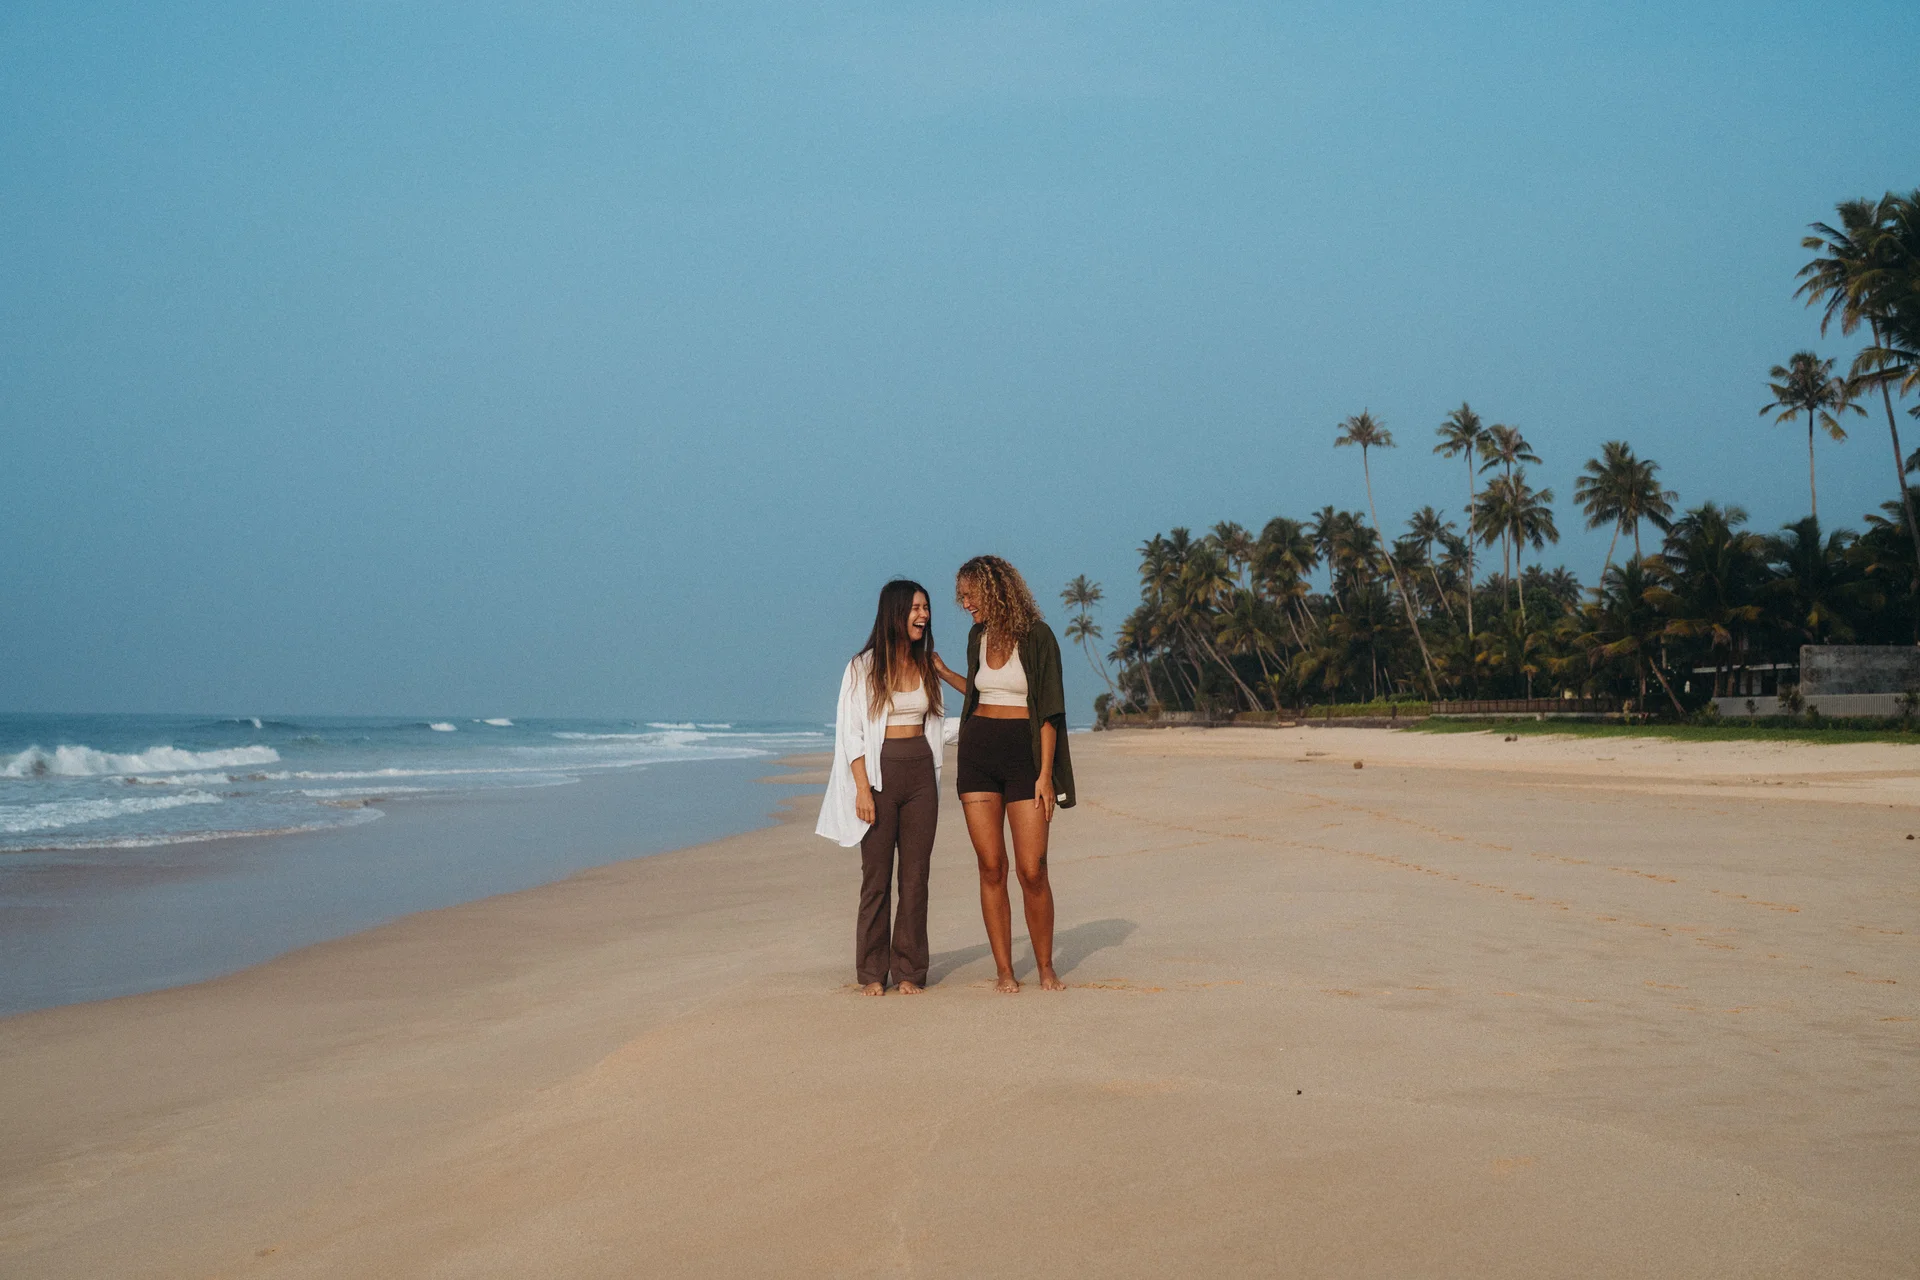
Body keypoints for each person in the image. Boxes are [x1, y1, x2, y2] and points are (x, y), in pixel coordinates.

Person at [932, 555, 1076, 993]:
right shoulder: (977, 636)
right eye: (961, 597)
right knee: (991, 866)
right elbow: (979, 690)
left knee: (1032, 869)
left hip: (1025, 759)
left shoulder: (1038, 637)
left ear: (995, 589)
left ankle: (1046, 966)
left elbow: (1049, 710)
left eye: (970, 594)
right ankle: (1005, 970)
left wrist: (1046, 774)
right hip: (977, 756)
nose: (965, 603)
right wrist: (942, 673)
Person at [817, 580, 956, 996]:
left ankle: (910, 970)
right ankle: (873, 972)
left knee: (916, 878)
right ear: (895, 612)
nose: (923, 614)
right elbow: (852, 733)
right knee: (876, 878)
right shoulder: (863, 667)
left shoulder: (926, 665)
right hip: (879, 779)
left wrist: (985, 725)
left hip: (920, 777)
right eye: (915, 607)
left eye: (926, 607)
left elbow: (935, 726)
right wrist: (862, 788)